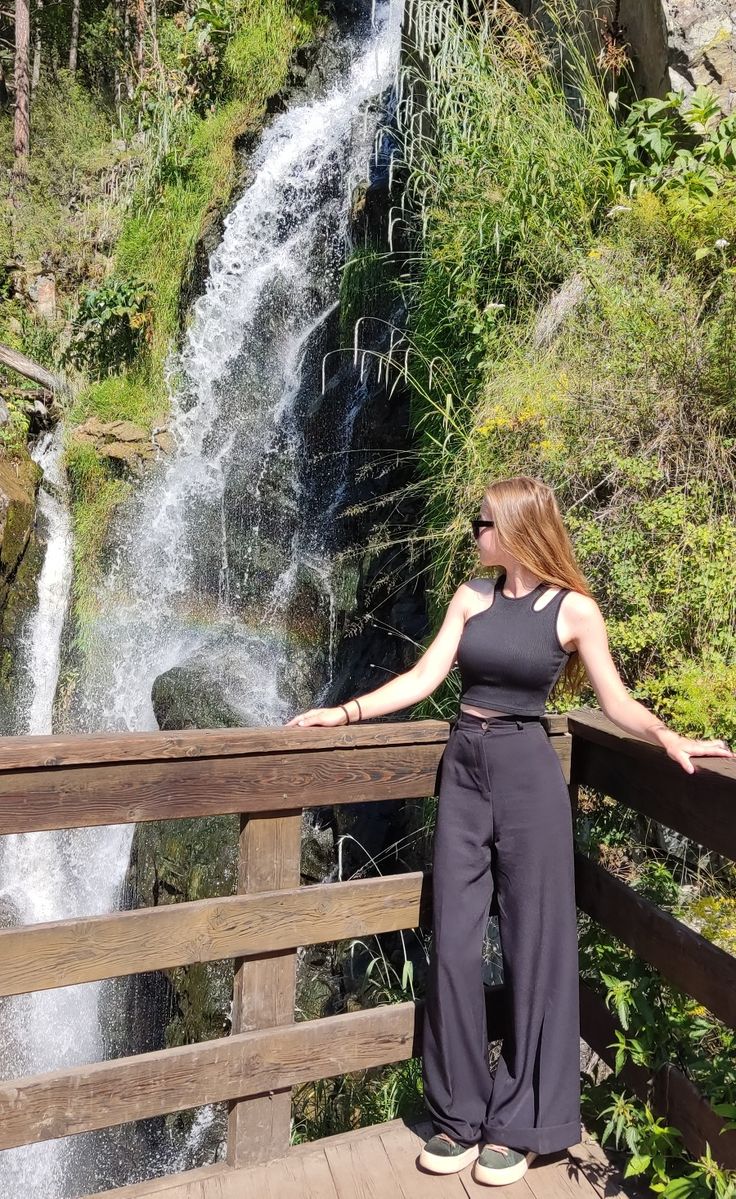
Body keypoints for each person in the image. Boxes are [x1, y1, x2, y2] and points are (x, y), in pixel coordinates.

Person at [285, 475, 734, 1187]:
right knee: (457, 941)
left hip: (529, 776)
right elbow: (424, 678)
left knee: (534, 945)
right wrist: (342, 714)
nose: (474, 533)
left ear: (519, 525)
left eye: (482, 522)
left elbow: (614, 699)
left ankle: (522, 1122)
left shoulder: (575, 610)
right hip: (464, 768)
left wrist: (671, 735)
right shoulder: (472, 596)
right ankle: (460, 1113)